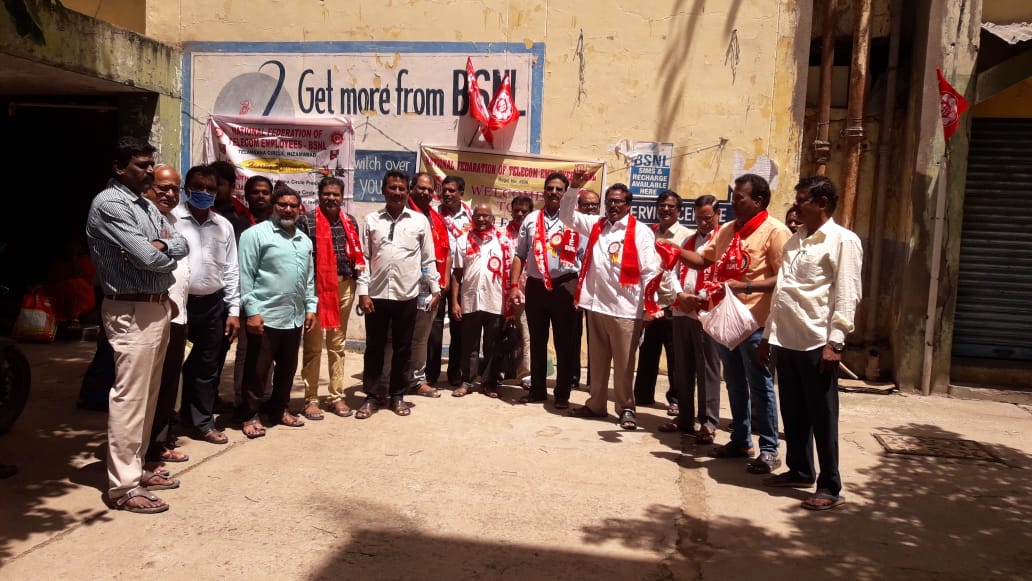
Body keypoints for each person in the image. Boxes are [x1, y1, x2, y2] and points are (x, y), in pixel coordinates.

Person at [86, 136, 188, 513]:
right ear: (119, 167)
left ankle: (137, 466)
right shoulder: (110, 204)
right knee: (130, 398)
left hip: (156, 305)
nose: (149, 171)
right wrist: (158, 248)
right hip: (130, 308)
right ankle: (124, 488)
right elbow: (148, 257)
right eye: (141, 165)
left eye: (150, 164)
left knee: (149, 395)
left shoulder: (144, 204)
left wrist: (160, 247)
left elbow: (181, 244)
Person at [675, 174, 791, 473]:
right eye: (733, 197)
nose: (732, 203)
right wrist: (674, 251)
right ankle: (740, 440)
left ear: (759, 201)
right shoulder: (728, 230)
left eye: (739, 198)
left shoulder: (775, 232)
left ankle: (769, 448)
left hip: (755, 323)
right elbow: (703, 261)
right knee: (735, 383)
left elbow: (784, 279)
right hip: (727, 321)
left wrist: (746, 286)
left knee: (760, 386)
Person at [759, 176, 862, 511]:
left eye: (803, 199)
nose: (797, 206)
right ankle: (800, 469)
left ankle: (829, 485)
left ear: (823, 204)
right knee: (793, 412)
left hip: (817, 342)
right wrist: (768, 336)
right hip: (787, 340)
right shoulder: (795, 241)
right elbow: (782, 293)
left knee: (823, 416)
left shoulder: (843, 240)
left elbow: (847, 294)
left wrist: (836, 342)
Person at [562, 181, 662, 430]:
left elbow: (650, 271)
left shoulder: (641, 232)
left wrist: (650, 306)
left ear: (628, 205)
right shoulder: (597, 225)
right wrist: (574, 188)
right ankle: (596, 405)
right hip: (597, 306)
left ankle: (626, 408)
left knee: (624, 364)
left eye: (618, 201)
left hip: (626, 310)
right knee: (597, 362)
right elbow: (566, 216)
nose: (612, 206)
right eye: (609, 202)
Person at [355, 170, 440, 419]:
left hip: (407, 295)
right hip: (376, 295)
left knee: (403, 348)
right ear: (384, 190)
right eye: (392, 188)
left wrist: (435, 288)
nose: (397, 192)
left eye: (402, 188)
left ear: (408, 191)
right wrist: (363, 292)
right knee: (374, 348)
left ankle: (397, 396)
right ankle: (372, 397)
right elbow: (364, 258)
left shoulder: (419, 221)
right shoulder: (372, 220)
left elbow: (428, 258)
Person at [237, 185, 317, 438]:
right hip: (265, 315)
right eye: (283, 205)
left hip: (293, 317)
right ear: (273, 206)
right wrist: (251, 311)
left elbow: (309, 278)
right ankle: (250, 414)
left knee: (287, 368)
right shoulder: (254, 235)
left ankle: (279, 409)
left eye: (293, 205)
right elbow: (245, 275)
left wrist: (311, 307)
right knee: (257, 370)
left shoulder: (304, 240)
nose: (288, 210)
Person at [173, 165, 240, 445]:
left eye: (210, 189)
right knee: (172, 367)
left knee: (207, 367)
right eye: (198, 187)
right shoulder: (171, 220)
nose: (204, 193)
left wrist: (233, 310)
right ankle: (168, 425)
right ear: (186, 188)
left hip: (213, 305)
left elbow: (231, 269)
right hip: (178, 305)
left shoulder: (223, 225)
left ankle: (202, 422)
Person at [510, 173, 586, 409]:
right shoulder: (531, 219)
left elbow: (585, 259)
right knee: (537, 340)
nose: (554, 192)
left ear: (565, 193)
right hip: (536, 286)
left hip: (566, 284)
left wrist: (581, 292)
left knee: (565, 342)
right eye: (550, 188)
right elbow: (520, 255)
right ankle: (537, 391)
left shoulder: (576, 220)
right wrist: (514, 286)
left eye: (559, 189)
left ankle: (562, 394)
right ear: (543, 191)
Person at [296, 176, 364, 419]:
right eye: (327, 194)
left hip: (344, 287)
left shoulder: (350, 222)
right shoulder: (306, 221)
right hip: (316, 288)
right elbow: (301, 258)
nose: (331, 198)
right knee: (313, 345)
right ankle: (311, 398)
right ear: (319, 195)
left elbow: (356, 255)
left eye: (336, 194)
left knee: (337, 344)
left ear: (342, 197)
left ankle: (336, 395)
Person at [379, 173, 450, 398]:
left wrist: (442, 282)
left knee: (421, 337)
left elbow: (445, 252)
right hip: (403, 287)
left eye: (430, 190)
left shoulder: (436, 219)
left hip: (428, 288)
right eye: (421, 188)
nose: (426, 193)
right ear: (411, 189)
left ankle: (417, 380)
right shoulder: (402, 214)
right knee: (393, 337)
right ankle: (386, 381)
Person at [659, 195, 722, 444]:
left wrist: (701, 297)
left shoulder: (723, 241)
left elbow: (721, 275)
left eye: (707, 218)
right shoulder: (688, 241)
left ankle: (708, 422)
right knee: (682, 367)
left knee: (707, 369)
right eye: (698, 218)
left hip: (707, 313)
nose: (703, 222)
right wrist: (680, 295)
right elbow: (672, 270)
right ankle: (684, 417)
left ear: (718, 215)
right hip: (682, 310)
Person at [141, 164, 191, 465]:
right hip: (151, 315)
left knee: (169, 384)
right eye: (163, 187)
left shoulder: (176, 221)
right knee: (146, 387)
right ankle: (140, 450)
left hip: (178, 316)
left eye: (175, 189)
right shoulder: (141, 220)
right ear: (149, 187)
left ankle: (158, 444)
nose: (170, 194)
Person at [633, 191, 691, 414]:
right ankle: (643, 395)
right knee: (648, 351)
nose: (666, 209)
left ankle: (676, 400)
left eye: (671, 206)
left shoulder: (687, 236)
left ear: (679, 211)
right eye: (662, 205)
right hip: (651, 303)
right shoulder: (649, 233)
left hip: (673, 304)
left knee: (676, 356)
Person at [450, 203, 512, 398]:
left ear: (493, 219)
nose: (482, 219)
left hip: (496, 300)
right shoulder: (463, 240)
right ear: (472, 218)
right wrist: (455, 302)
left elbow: (511, 271)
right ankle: (467, 381)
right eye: (478, 215)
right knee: (469, 345)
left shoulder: (503, 240)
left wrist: (510, 302)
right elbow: (457, 273)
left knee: (492, 346)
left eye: (486, 216)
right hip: (470, 300)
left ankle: (489, 383)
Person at [433, 175, 473, 387]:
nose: (447, 194)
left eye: (451, 190)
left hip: (462, 277)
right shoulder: (433, 214)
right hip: (437, 275)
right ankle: (430, 373)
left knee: (459, 326)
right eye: (444, 190)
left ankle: (455, 372)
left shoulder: (472, 216)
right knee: (434, 325)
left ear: (461, 193)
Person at [506, 195, 534, 385]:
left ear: (530, 213)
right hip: (500, 291)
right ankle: (498, 370)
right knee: (498, 332)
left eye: (524, 211)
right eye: (516, 210)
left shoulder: (536, 234)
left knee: (525, 333)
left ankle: (525, 374)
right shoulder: (501, 233)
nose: (520, 214)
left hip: (525, 292)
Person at [210, 160, 253, 239]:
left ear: (232, 187)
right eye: (211, 183)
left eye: (219, 184)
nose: (214, 187)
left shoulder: (242, 215)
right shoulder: (198, 210)